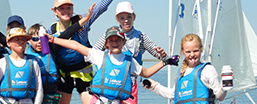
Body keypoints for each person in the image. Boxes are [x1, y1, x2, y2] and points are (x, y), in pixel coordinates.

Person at [45, 26, 178, 104]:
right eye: (111, 40)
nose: (114, 43)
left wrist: (165, 62)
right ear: (106, 44)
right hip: (98, 101)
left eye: (118, 40)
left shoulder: (129, 61)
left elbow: (146, 73)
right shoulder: (99, 56)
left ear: (123, 42)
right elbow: (76, 45)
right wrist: (53, 39)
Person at [48, 0, 125, 103]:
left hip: (83, 72)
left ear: (73, 9)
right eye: (61, 9)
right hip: (64, 74)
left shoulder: (83, 22)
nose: (66, 11)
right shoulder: (51, 31)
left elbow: (102, 7)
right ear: (54, 11)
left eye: (69, 8)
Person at [92, 1, 167, 104]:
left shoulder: (141, 37)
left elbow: (158, 54)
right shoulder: (110, 34)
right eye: (122, 18)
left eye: (129, 17)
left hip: (129, 85)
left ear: (134, 17)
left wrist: (162, 54)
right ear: (117, 19)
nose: (126, 21)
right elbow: (94, 52)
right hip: (109, 83)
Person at [142, 34, 229, 104]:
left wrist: (225, 84)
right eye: (188, 52)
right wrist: (154, 86)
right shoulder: (181, 72)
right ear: (183, 52)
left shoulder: (207, 69)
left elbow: (220, 96)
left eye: (195, 51)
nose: (192, 55)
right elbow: (173, 94)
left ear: (201, 50)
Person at [26, 24, 62, 104]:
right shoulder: (24, 52)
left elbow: (67, 34)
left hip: (50, 91)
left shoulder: (52, 49)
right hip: (32, 91)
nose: (39, 42)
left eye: (42, 39)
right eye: (35, 39)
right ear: (29, 40)